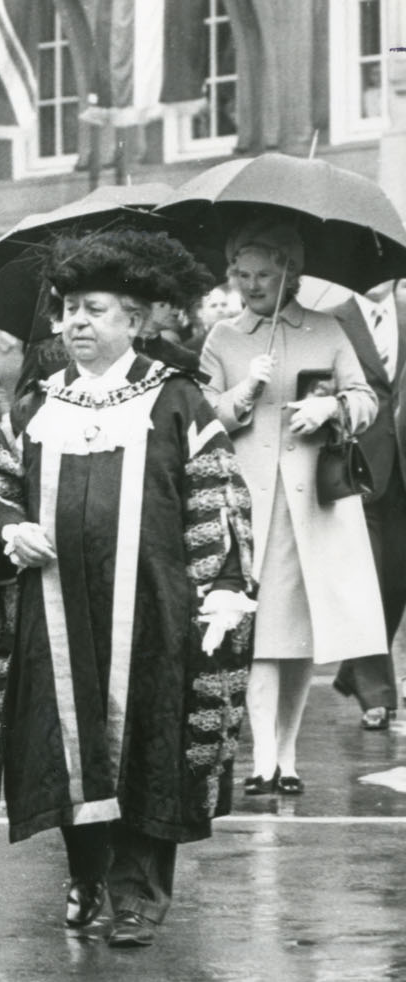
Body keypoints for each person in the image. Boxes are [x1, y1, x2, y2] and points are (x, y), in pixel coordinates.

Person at [0, 230, 255, 949]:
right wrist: (9, 528)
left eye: (93, 310)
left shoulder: (177, 401)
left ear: (133, 320)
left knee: (146, 747)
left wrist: (223, 586)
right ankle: (87, 875)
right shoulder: (37, 405)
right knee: (68, 745)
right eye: (68, 309)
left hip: (152, 611)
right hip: (55, 608)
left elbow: (221, 498)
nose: (75, 323)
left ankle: (138, 893)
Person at [199, 221, 387, 796]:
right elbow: (204, 415)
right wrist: (244, 394)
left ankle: (288, 757)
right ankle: (261, 759)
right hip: (249, 505)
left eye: (264, 274)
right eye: (243, 274)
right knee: (258, 633)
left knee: (299, 637)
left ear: (290, 273)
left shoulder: (329, 330)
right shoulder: (223, 338)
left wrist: (329, 408)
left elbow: (367, 399)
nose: (252, 285)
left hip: (315, 508)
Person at [328, 279, 406, 729]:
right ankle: (377, 693)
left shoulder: (405, 308)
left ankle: (353, 670)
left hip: (402, 465)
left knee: (395, 580)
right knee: (369, 579)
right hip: (356, 464)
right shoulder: (334, 318)